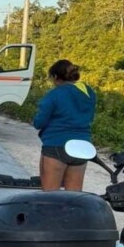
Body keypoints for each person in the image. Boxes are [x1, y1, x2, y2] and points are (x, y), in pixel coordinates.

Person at [33, 59, 97, 191]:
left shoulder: (55, 94)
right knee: (73, 197)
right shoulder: (88, 92)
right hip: (82, 147)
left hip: (57, 145)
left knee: (50, 196)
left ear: (56, 77)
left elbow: (39, 122)